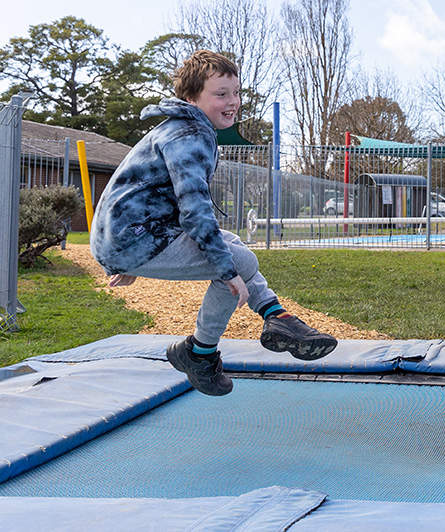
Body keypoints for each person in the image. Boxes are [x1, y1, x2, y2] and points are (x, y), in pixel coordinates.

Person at [90, 50, 337, 396]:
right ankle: (199, 354)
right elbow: (194, 207)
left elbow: (154, 195)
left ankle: (277, 317)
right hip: (137, 237)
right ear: (191, 97)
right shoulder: (189, 134)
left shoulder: (181, 127)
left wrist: (121, 255)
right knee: (238, 262)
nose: (232, 102)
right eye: (221, 95)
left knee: (232, 242)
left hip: (133, 234)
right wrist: (224, 269)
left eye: (236, 93)